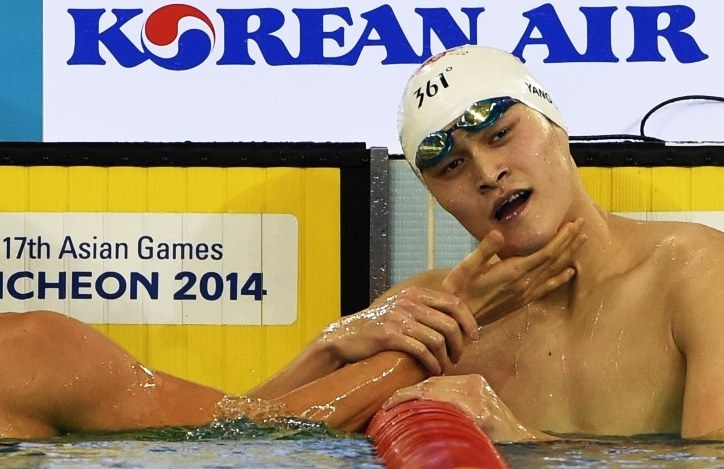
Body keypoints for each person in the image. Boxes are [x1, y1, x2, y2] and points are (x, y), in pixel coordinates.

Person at [354, 44, 724, 443]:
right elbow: (284, 434)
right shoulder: (426, 315)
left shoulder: (697, 273)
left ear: (557, 126)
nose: (489, 173)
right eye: (452, 166)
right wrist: (332, 343)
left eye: (500, 135)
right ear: (437, 197)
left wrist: (527, 442)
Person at [0, 218, 583, 439]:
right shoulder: (31, 355)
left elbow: (222, 440)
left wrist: (325, 353)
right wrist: (459, 319)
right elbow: (258, 440)